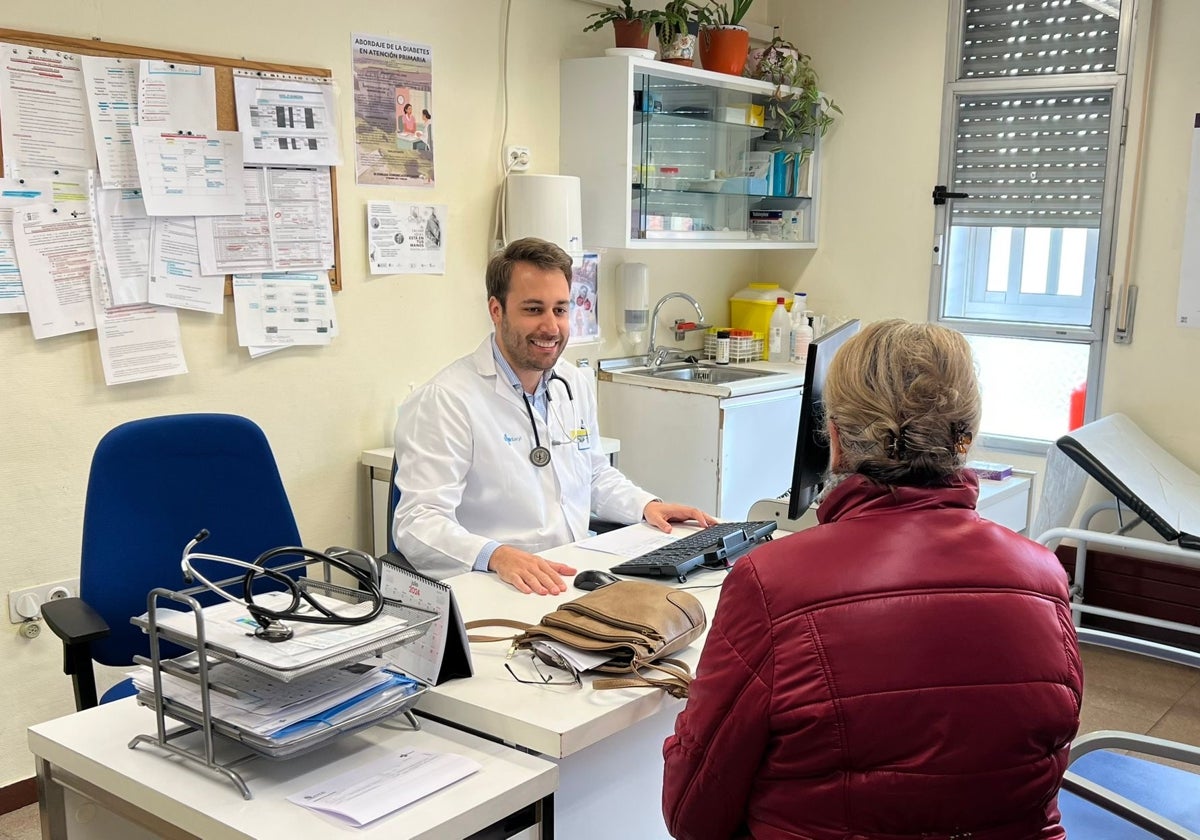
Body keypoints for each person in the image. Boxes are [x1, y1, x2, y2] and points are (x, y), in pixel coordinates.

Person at [662, 319, 1082, 840]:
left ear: (835, 440)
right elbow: (1041, 770)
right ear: (964, 442)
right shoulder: (1044, 576)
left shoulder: (771, 583)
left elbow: (693, 816)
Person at [393, 237, 716, 594]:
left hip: (574, 572)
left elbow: (592, 473)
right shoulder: (446, 400)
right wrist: (497, 555)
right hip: (497, 585)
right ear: (496, 310)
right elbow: (417, 523)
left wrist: (647, 505)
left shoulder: (572, 382)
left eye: (560, 310)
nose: (551, 327)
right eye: (533, 310)